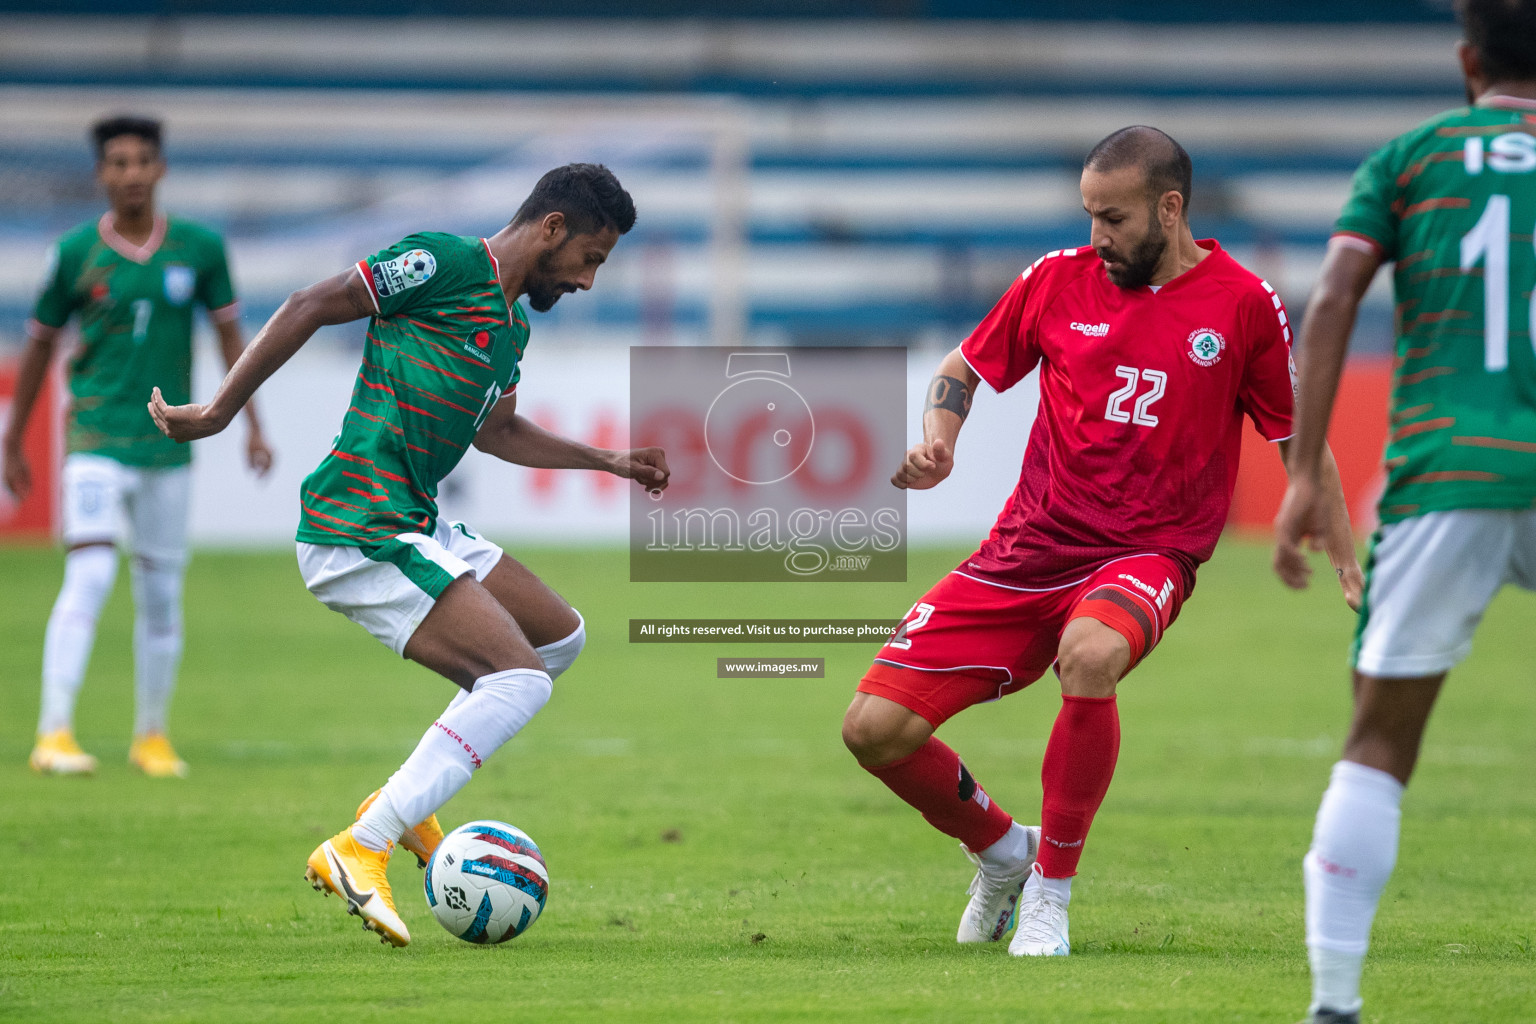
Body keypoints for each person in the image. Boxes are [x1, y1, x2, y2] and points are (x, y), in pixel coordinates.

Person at [842, 126, 1362, 958]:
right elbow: (963, 366)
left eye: (1113, 219)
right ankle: (1004, 851)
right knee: (874, 730)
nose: (1098, 237)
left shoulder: (1241, 303)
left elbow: (1298, 438)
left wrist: (1343, 552)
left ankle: (1051, 890)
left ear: (1170, 206)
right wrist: (942, 440)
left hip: (1147, 553)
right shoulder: (1056, 281)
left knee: (1090, 655)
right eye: (1088, 215)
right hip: (1030, 544)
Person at [149, 162, 669, 948]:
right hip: (357, 523)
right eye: (592, 257)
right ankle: (364, 845)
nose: (591, 281)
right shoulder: (444, 263)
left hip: (412, 520)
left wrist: (607, 461)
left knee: (558, 637)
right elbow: (311, 302)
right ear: (553, 228)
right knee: (518, 680)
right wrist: (223, 410)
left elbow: (496, 431)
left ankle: (407, 801)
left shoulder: (513, 328)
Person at [1274, 2, 1536, 1020]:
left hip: (1447, 472)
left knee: (1377, 745)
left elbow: (1334, 296)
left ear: (1468, 60)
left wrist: (1303, 472)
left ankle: (1335, 1003)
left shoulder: (1411, 159)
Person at [3, 114, 273, 779]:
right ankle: (54, 731)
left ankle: (150, 735)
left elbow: (233, 341)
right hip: (95, 435)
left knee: (160, 595)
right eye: (117, 162)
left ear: (160, 169)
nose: (130, 173)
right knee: (90, 572)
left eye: (141, 161)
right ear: (101, 173)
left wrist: (252, 423)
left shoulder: (201, 249)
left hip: (169, 444)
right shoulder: (73, 253)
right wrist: (13, 440)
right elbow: (38, 347)